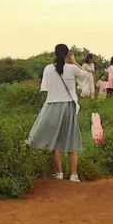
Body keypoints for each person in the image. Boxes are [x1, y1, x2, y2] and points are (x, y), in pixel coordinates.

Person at [27, 45, 86, 182]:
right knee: (72, 140)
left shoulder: (48, 68)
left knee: (55, 140)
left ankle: (59, 173)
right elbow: (86, 76)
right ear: (67, 54)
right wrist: (74, 61)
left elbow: (45, 89)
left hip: (52, 106)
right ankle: (73, 175)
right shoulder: (72, 68)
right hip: (68, 106)